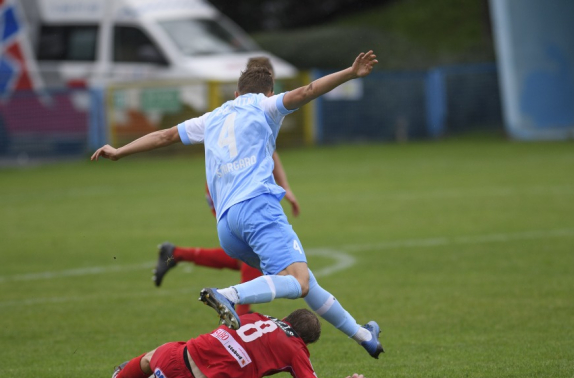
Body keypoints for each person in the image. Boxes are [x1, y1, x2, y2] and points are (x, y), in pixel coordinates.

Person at [91, 51, 384, 359]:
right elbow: (308, 91)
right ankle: (229, 295)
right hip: (258, 209)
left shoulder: (213, 117)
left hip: (227, 227)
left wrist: (120, 151)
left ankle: (364, 335)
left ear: (235, 94)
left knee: (304, 281)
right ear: (269, 92)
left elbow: (165, 136)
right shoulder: (267, 105)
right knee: (297, 281)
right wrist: (350, 73)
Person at [152, 57, 300, 318]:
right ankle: (237, 314)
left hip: (228, 187)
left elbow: (269, 152)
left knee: (246, 251)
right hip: (232, 188)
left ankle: (177, 254)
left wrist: (285, 186)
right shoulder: (253, 108)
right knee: (254, 247)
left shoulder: (244, 107)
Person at [107, 309, 370, 378]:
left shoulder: (255, 317)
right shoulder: (296, 348)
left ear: (287, 318)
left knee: (152, 356)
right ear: (306, 341)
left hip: (172, 357)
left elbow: (234, 357)